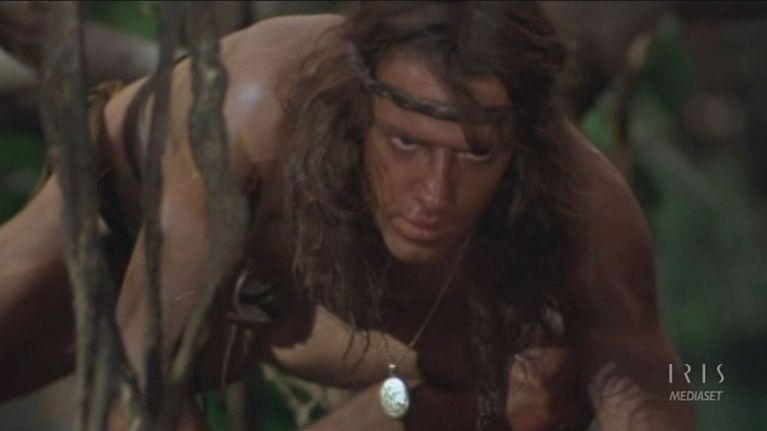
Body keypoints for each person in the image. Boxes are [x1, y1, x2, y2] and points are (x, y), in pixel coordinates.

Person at [0, 3, 696, 430]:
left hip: (302, 313)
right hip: (115, 228)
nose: (435, 192)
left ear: (521, 145)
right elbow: (143, 379)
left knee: (546, 380)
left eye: (475, 154)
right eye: (406, 144)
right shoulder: (247, 116)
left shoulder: (585, 202)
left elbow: (651, 389)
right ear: (357, 113)